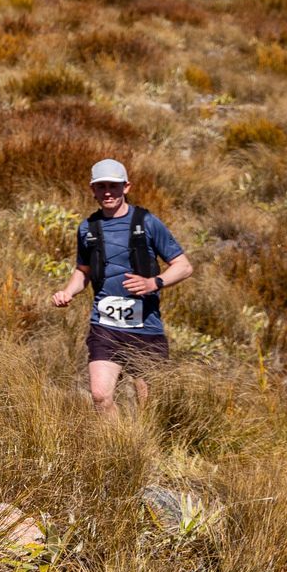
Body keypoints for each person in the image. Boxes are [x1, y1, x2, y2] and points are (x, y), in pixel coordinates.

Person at [51, 158, 192, 416]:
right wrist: (68, 292)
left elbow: (183, 266)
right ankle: (117, 449)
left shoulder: (147, 222)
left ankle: (148, 451)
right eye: (101, 186)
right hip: (105, 326)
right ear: (92, 189)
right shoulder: (87, 228)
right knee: (100, 396)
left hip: (145, 327)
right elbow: (83, 271)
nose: (108, 192)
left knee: (150, 403)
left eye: (113, 186)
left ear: (126, 187)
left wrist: (154, 282)